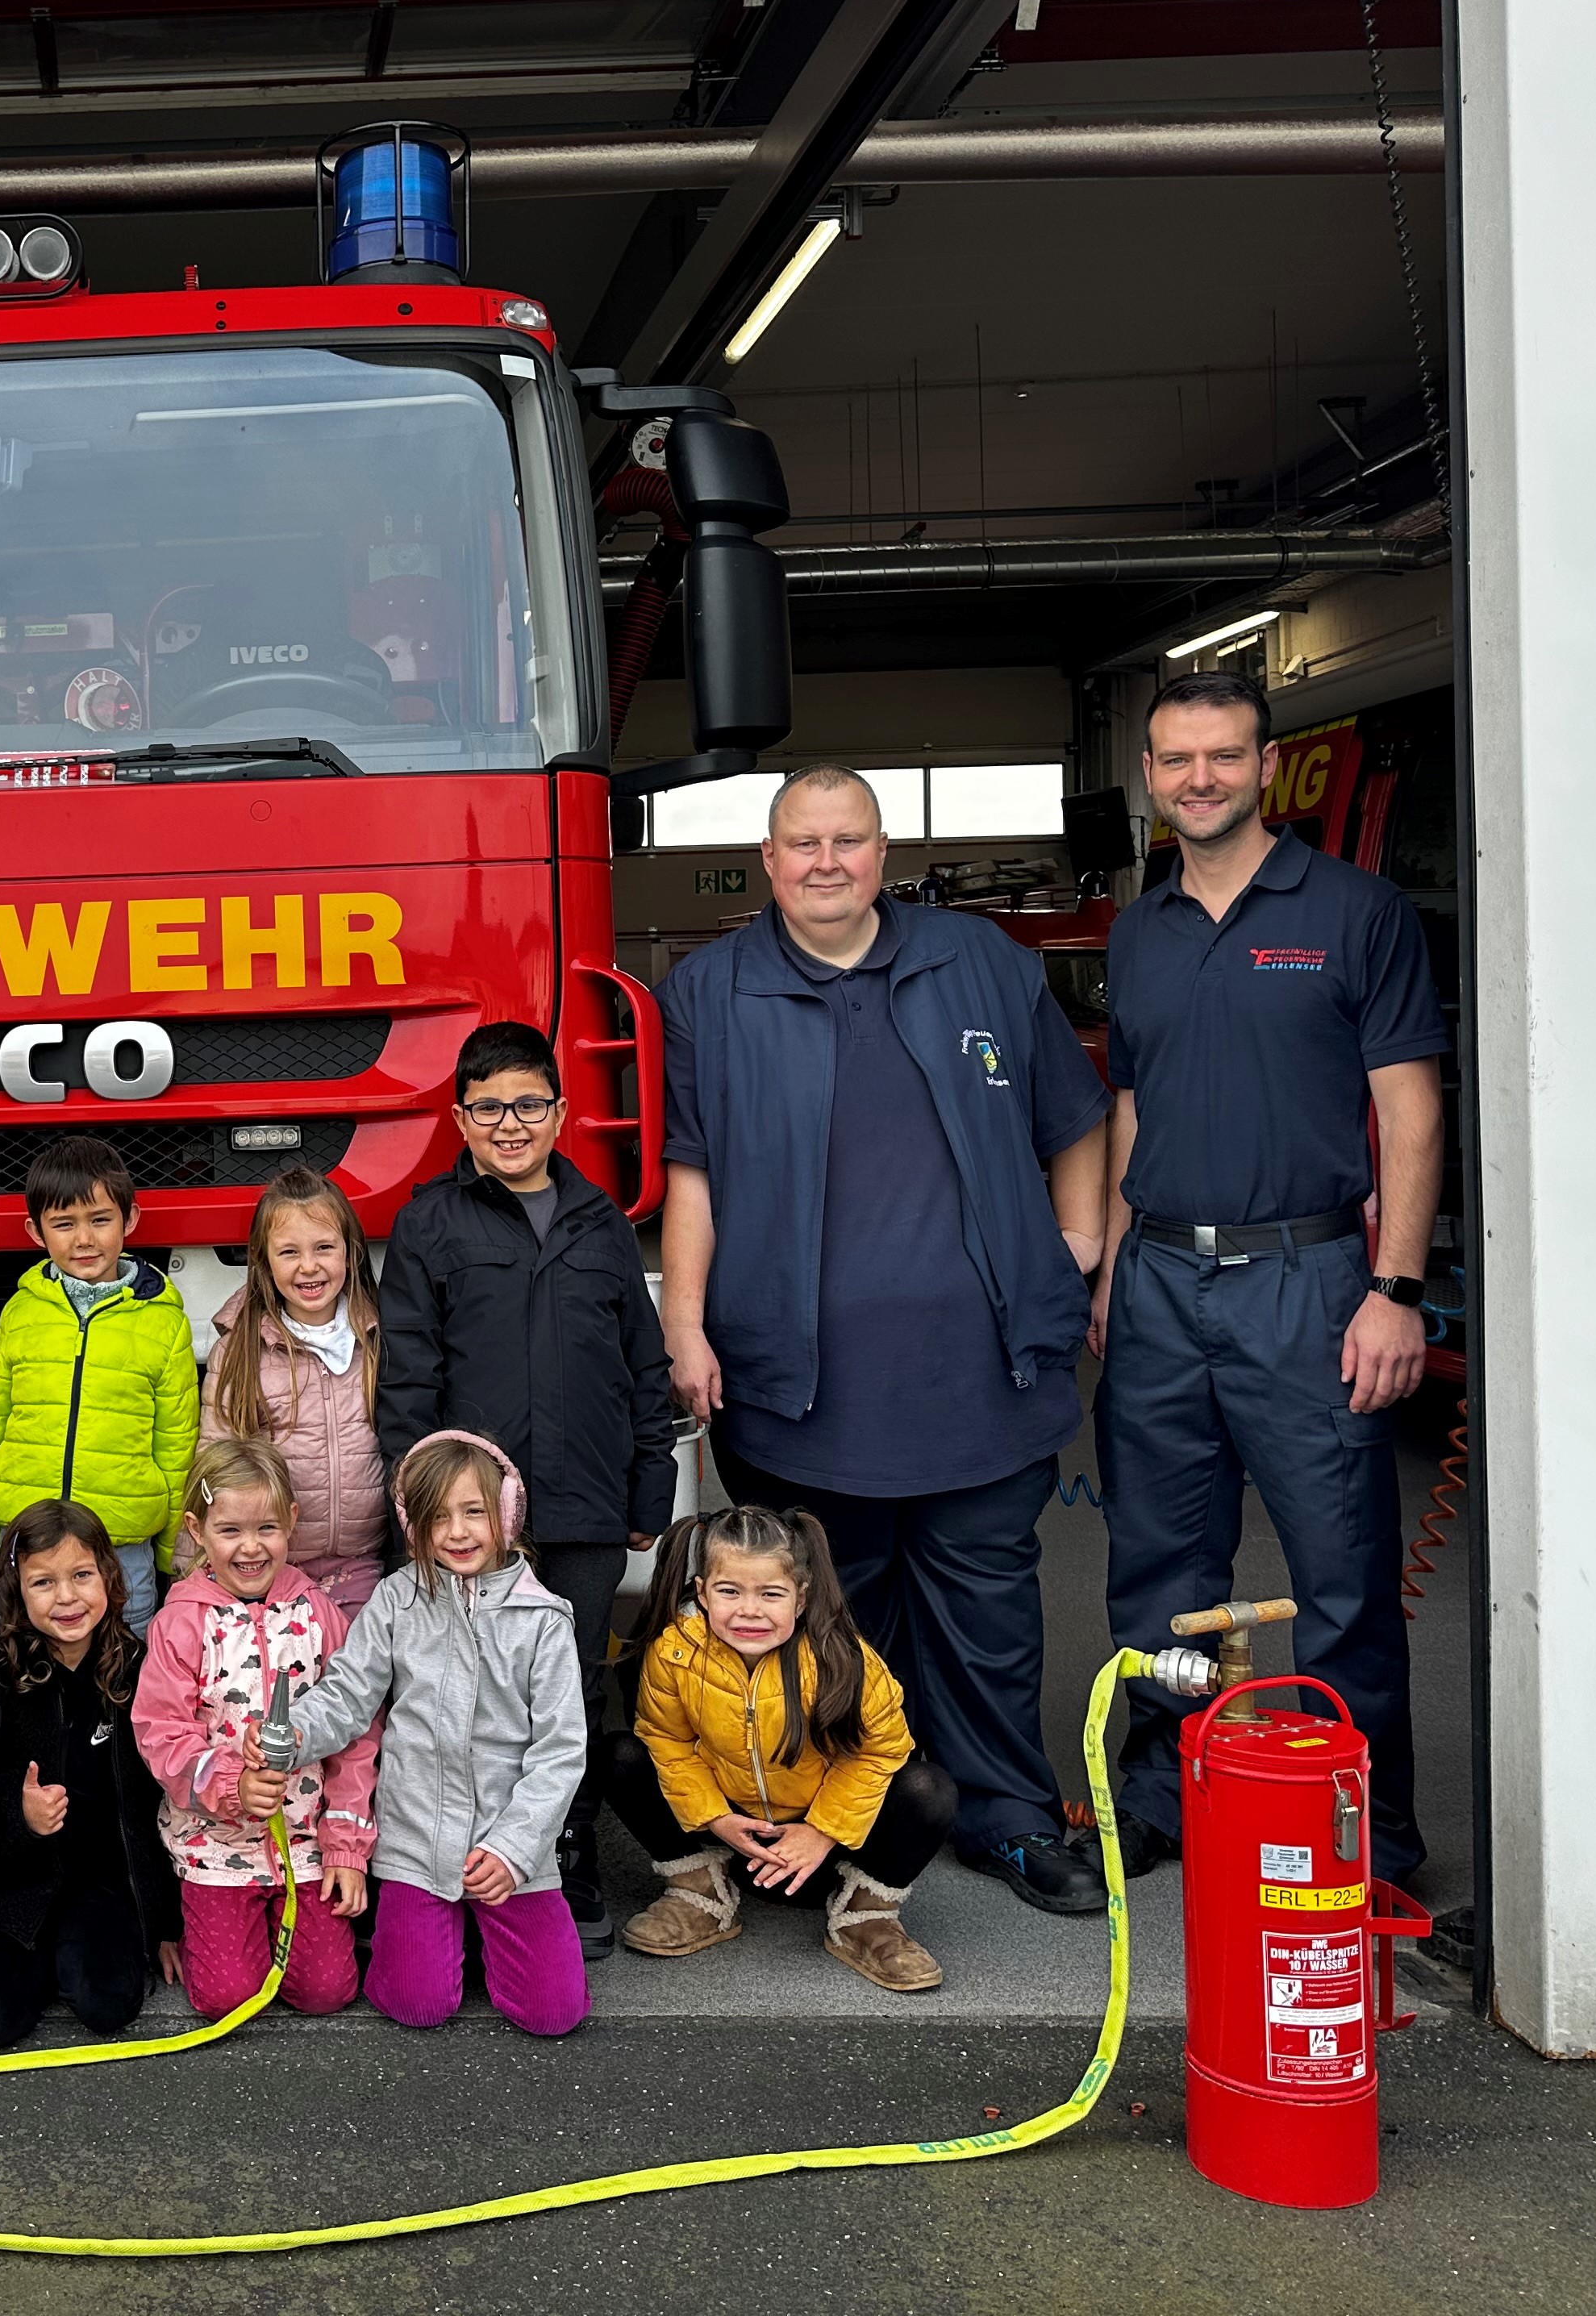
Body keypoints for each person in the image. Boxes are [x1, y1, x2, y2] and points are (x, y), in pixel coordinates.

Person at [653, 764, 1115, 1918]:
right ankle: (836, 1827)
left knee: (989, 1613)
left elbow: (1078, 1120)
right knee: (820, 1625)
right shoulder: (711, 992)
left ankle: (1008, 1817)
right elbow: (692, 1177)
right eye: (802, 842)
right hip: (801, 1391)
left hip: (980, 1378)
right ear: (769, 859)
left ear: (883, 852)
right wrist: (685, 1322)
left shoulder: (985, 965)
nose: (825, 862)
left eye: (848, 840)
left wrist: (1073, 1245)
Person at [1093, 674, 1448, 1881]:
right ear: (1151, 773)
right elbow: (1132, 1100)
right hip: (1157, 1281)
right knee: (1157, 1566)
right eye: (1178, 759)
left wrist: (1393, 1291)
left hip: (1305, 1284)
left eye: (1224, 756)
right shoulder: (1138, 929)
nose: (1200, 778)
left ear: (1264, 766)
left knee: (1339, 1574)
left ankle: (1369, 1834)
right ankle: (1166, 1793)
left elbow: (1410, 1108)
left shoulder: (1355, 912)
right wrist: (1113, 1259)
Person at [378, 1020, 676, 1954]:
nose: (511, 1124)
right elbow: (409, 1381)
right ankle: (447, 1864)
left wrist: (648, 1491)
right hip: (472, 1521)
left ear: (562, 1111)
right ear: (461, 1118)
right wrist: (422, 1511)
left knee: (572, 1690)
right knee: (462, 1690)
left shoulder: (601, 1221)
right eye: (489, 1108)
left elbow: (642, 1363)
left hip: (585, 1502)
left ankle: (564, 1852)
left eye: (529, 1105)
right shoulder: (432, 1220)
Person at [254, 1431, 589, 2039]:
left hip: (511, 1850)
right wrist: (294, 1732)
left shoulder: (544, 1619)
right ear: (414, 1527)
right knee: (417, 2005)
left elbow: (561, 1752)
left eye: (474, 1513)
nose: (457, 1533)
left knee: (554, 2013)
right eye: (438, 1518)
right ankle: (436, 1941)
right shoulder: (395, 1600)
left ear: (508, 1514)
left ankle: (484, 1936)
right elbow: (349, 1696)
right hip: (417, 1844)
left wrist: (515, 1850)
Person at [605, 1506, 956, 1993]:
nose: (749, 1610)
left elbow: (882, 1752)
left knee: (928, 1788)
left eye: (771, 1594)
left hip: (823, 1852)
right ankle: (700, 1890)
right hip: (732, 1838)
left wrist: (821, 1832)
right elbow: (667, 1743)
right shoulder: (675, 1653)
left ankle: (865, 1915)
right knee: (622, 1756)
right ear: (703, 1592)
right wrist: (716, 1819)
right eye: (730, 1592)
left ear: (802, 1597)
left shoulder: (842, 1658)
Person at [0, 1499, 185, 2049]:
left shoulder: (140, 1670)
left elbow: (156, 1808)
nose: (67, 1597)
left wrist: (164, 1924)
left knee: (111, 2005)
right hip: (13, 1884)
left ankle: (63, 1960)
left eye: (82, 1575)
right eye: (43, 1582)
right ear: (15, 1589)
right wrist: (18, 1816)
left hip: (103, 1884)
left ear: (110, 1579)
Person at [134, 1438, 376, 2021]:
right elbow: (161, 1734)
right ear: (196, 1528)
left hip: (306, 1845)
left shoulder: (320, 1614)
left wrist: (347, 1847)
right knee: (227, 2000)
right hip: (216, 1847)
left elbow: (357, 1736)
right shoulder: (181, 1622)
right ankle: (210, 1930)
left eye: (267, 1527)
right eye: (229, 1530)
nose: (250, 1547)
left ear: (292, 1520)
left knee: (326, 1993)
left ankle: (271, 1935)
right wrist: (228, 1784)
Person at [0, 1136, 198, 1631]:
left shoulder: (165, 1322)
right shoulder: (22, 1312)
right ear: (36, 1231)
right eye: (64, 1224)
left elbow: (176, 1447)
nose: (84, 1240)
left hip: (122, 1544)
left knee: (126, 1667)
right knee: (22, 1667)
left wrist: (172, 1553)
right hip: (24, 1538)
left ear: (130, 1220)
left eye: (100, 1220)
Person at [192, 1170, 388, 1610]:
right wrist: (195, 1574)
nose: (309, 1266)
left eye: (324, 1248)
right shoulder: (240, 1350)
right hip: (272, 1568)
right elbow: (215, 1464)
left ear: (352, 1253)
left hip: (362, 1565)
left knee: (356, 1673)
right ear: (263, 1262)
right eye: (289, 1252)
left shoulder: (378, 1338)